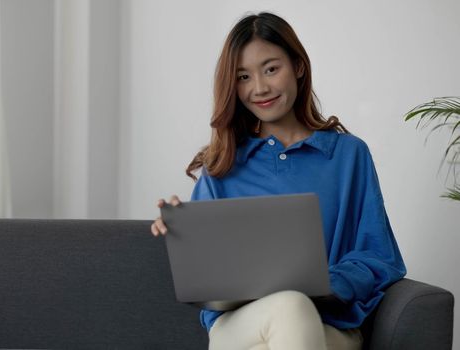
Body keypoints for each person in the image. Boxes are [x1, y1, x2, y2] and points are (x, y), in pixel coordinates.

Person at [150, 11, 406, 350]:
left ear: (298, 66)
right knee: (289, 306)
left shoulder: (348, 156)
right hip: (239, 327)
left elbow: (379, 256)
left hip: (327, 326)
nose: (259, 88)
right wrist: (181, 231)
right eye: (243, 76)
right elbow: (207, 277)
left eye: (271, 69)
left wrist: (326, 283)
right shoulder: (222, 166)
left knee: (293, 309)